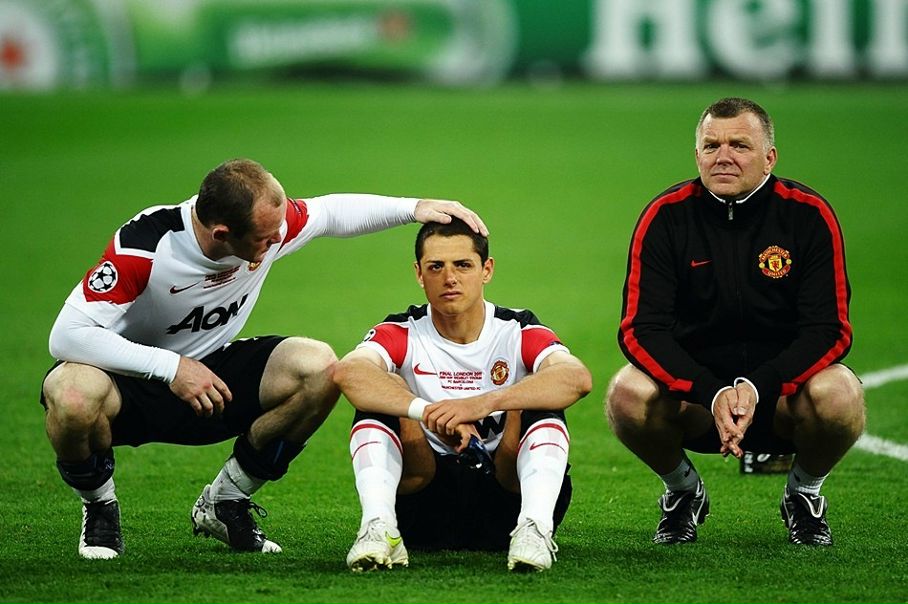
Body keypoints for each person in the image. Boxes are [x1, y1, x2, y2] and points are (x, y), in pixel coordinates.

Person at [40, 158, 488, 559]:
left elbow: (330, 213)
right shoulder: (145, 247)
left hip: (213, 377)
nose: (279, 239)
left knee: (318, 367)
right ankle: (100, 506)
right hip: (128, 383)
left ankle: (226, 501)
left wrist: (414, 208)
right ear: (222, 233)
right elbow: (67, 336)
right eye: (266, 237)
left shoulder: (270, 225)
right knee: (70, 393)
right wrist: (171, 367)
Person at [605, 97, 865, 546]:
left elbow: (829, 330)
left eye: (740, 145)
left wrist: (758, 387)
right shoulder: (665, 217)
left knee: (840, 394)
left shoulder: (807, 215)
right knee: (625, 394)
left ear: (770, 158)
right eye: (712, 146)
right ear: (697, 155)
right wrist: (711, 391)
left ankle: (804, 493)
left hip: (781, 399)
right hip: (697, 403)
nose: (723, 156)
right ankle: (683, 491)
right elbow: (640, 330)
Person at [332, 218, 592, 572]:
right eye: (435, 267)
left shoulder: (516, 329)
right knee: (379, 397)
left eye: (463, 265)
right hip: (422, 504)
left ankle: (534, 529)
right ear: (419, 273)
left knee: (541, 399)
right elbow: (348, 372)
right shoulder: (402, 331)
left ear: (487, 270)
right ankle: (379, 527)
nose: (449, 278)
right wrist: (426, 412)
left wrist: (482, 404)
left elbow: (576, 378)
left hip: (507, 498)